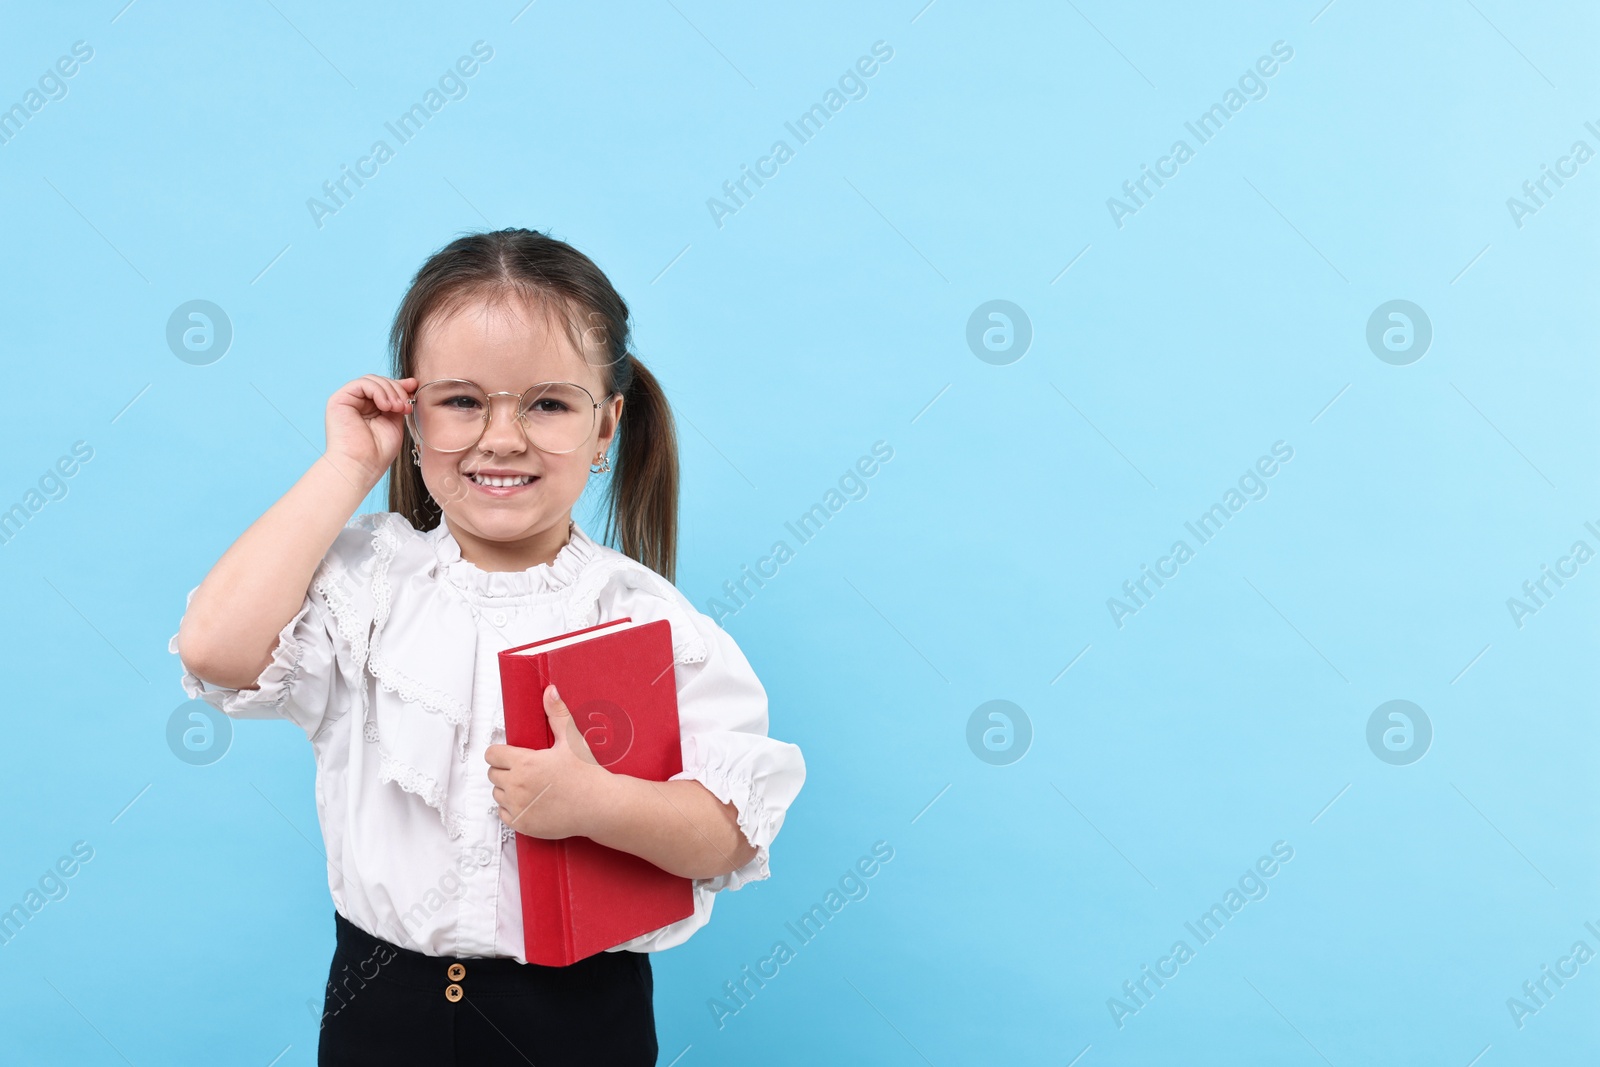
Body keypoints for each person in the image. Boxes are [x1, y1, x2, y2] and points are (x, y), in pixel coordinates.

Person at [168, 228, 806, 1065]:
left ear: (606, 425)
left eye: (547, 403)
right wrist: (346, 466)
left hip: (577, 1019)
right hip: (379, 1009)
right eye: (463, 400)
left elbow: (732, 830)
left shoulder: (646, 619)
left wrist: (594, 804)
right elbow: (216, 649)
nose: (501, 437)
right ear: (412, 408)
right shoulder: (369, 586)